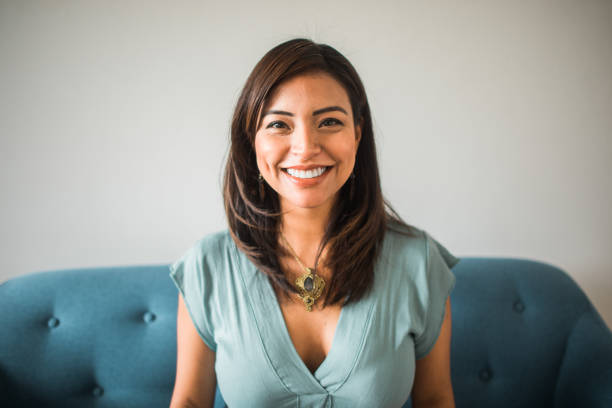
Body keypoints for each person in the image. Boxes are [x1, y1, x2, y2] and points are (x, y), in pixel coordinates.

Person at [168, 38, 459, 408]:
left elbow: (435, 399)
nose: (305, 147)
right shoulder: (207, 267)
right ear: (251, 140)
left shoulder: (418, 261)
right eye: (279, 124)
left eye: (329, 121)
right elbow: (190, 401)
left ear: (357, 132)